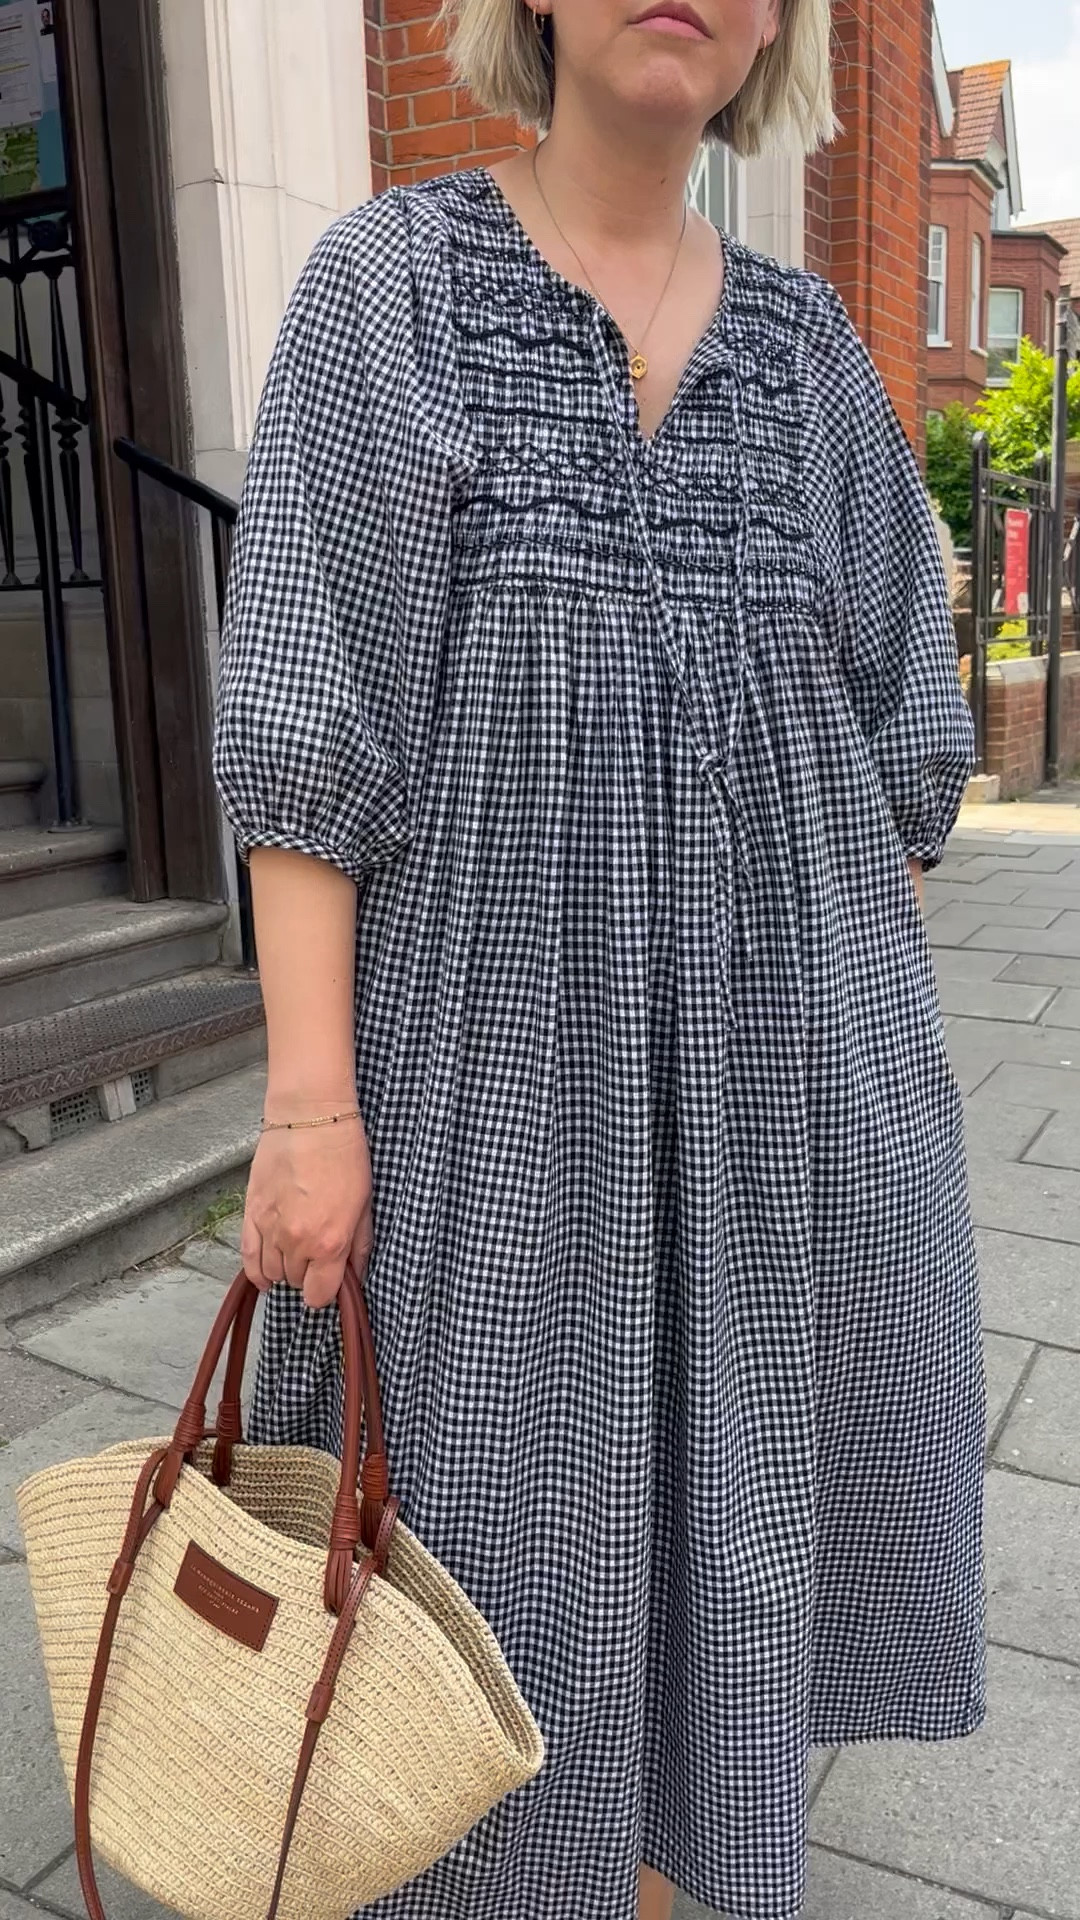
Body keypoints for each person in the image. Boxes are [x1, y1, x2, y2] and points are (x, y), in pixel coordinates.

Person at [211, 2, 987, 1916]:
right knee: (475, 1560)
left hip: (761, 1118)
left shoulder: (813, 365)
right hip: (491, 1104)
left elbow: (902, 743)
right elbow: (311, 715)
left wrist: (861, 1093)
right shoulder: (392, 292)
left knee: (726, 1544)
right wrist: (309, 1109)